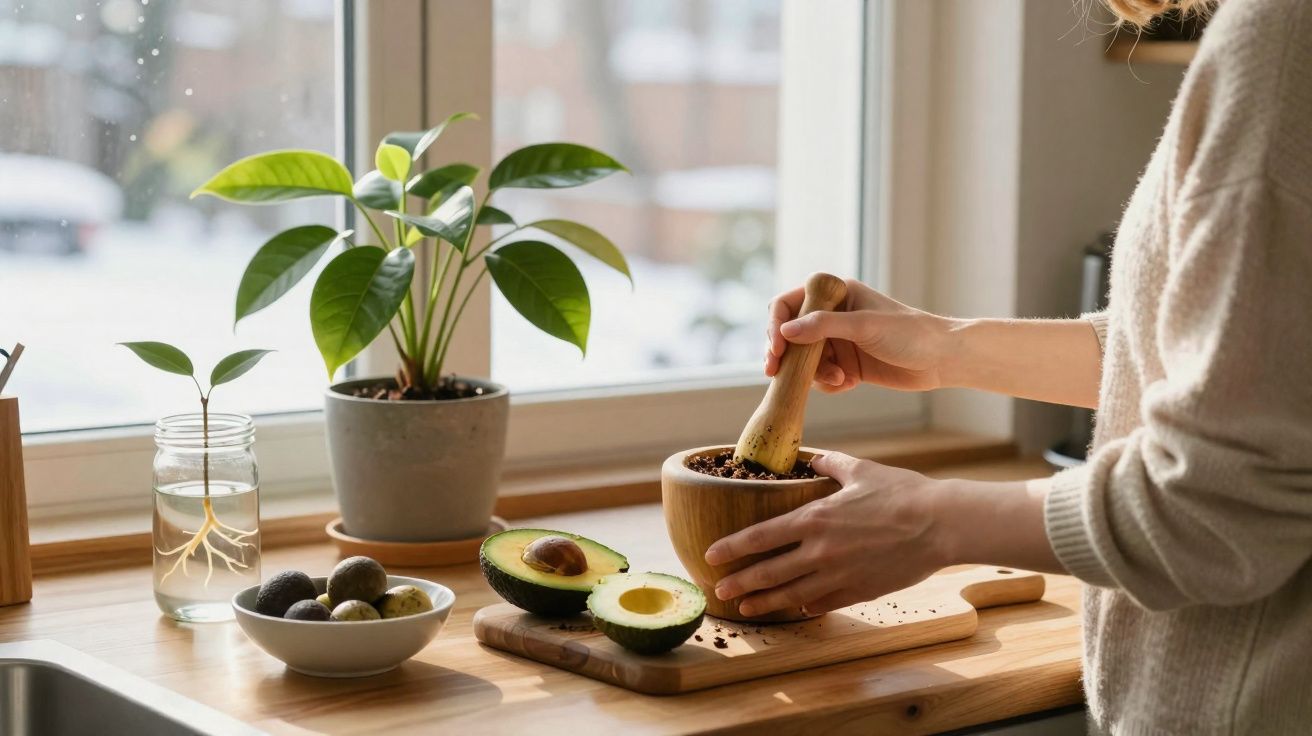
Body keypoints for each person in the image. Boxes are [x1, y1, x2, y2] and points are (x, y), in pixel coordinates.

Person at [705, 0, 1312, 732]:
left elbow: (1219, 506)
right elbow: (1243, 359)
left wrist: (931, 522)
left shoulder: (1283, 43)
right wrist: (944, 345)